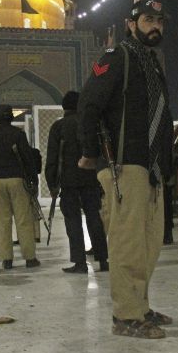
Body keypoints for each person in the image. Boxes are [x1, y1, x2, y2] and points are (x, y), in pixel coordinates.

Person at [78, 0, 175, 339]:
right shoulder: (116, 56)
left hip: (151, 166)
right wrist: (90, 153)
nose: (156, 26)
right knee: (128, 243)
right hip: (124, 163)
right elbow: (88, 103)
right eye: (148, 20)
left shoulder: (150, 63)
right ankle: (126, 316)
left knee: (149, 244)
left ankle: (140, 306)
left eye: (159, 21)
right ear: (131, 24)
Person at [46, 90, 109, 273]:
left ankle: (80, 262)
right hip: (91, 178)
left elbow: (52, 157)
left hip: (68, 181)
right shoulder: (89, 123)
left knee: (72, 221)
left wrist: (52, 184)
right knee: (94, 218)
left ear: (63, 107)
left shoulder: (58, 126)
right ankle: (103, 260)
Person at [0, 104, 40, 269]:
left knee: (1, 221)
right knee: (23, 219)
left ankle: (6, 258)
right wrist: (34, 180)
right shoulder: (18, 135)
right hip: (17, 180)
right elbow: (27, 159)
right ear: (11, 118)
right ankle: (30, 258)